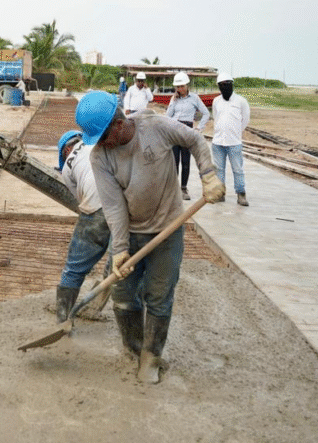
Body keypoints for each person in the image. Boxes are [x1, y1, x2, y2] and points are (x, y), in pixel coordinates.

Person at [75, 91, 225, 384]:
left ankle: (151, 357)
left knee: (159, 296)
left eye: (103, 136)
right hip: (130, 234)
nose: (101, 144)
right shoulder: (100, 157)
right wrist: (119, 250)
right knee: (122, 296)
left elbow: (194, 140)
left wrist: (208, 174)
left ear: (118, 125)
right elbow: (114, 207)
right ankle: (133, 349)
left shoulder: (155, 127)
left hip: (167, 229)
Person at [54, 130, 112, 323]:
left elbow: (81, 201)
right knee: (118, 261)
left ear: (67, 150)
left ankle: (62, 320)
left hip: (96, 209)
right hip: (126, 205)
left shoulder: (67, 169)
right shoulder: (98, 147)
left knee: (74, 268)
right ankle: (97, 304)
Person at [165, 71, 210, 200]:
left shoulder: (195, 98)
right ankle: (174, 189)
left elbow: (206, 113)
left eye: (182, 86)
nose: (180, 89)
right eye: (177, 87)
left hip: (187, 131)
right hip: (174, 131)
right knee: (174, 161)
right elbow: (168, 116)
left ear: (187, 85)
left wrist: (199, 128)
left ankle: (183, 188)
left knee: (185, 161)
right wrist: (173, 101)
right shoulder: (173, 99)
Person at [210, 72, 251, 206]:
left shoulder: (241, 101)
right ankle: (220, 194)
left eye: (227, 84)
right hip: (218, 142)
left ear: (232, 85)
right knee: (219, 170)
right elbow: (216, 117)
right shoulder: (216, 101)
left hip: (234, 142)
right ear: (219, 87)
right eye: (222, 85)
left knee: (237, 169)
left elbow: (245, 119)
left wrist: (236, 132)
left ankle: (241, 194)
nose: (225, 87)